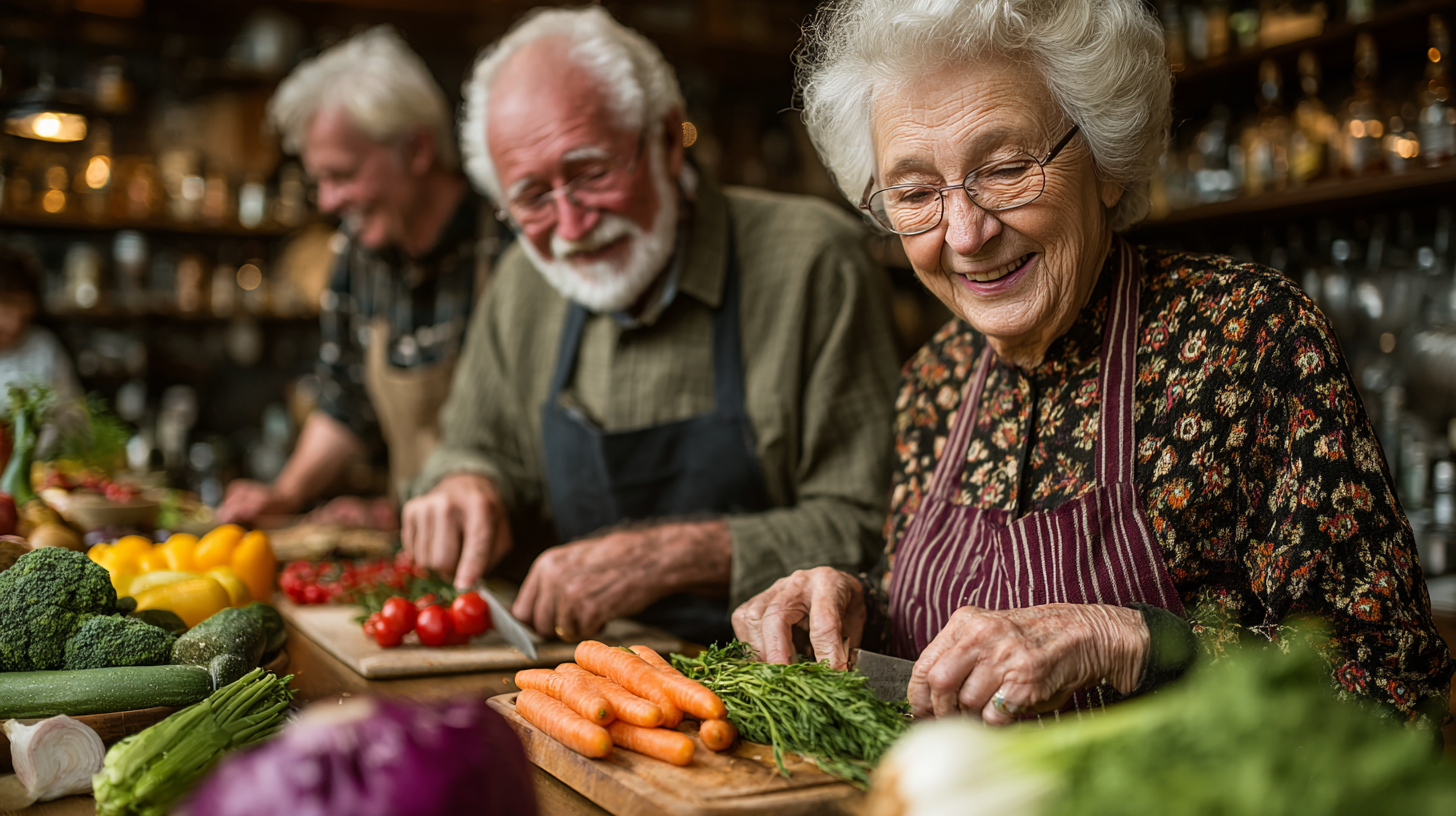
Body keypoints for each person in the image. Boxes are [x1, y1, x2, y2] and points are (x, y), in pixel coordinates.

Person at [733, 0, 1455, 727]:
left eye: (1006, 169)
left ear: (1107, 165)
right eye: (916, 193)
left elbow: (1395, 682)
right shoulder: (934, 380)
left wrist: (1127, 640)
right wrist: (860, 604)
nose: (965, 234)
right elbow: (942, 642)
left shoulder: (1251, 338)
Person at [402, 6, 900, 646]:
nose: (572, 227)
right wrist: (465, 483)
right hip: (579, 675)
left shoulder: (812, 261)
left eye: (591, 174)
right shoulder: (521, 286)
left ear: (666, 139)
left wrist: (667, 556)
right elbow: (475, 447)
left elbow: (870, 524)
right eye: (531, 197)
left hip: (776, 674)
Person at [218, 27, 495, 527]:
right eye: (319, 180)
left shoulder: (503, 243)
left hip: (510, 549)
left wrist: (393, 512)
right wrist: (285, 493)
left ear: (417, 150)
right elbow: (345, 399)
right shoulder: (358, 250)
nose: (327, 202)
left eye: (342, 175)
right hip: (414, 547)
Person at [0, 245, 81, 407]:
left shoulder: (44, 347)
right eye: (8, 306)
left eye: (24, 315)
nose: (15, 324)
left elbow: (72, 412)